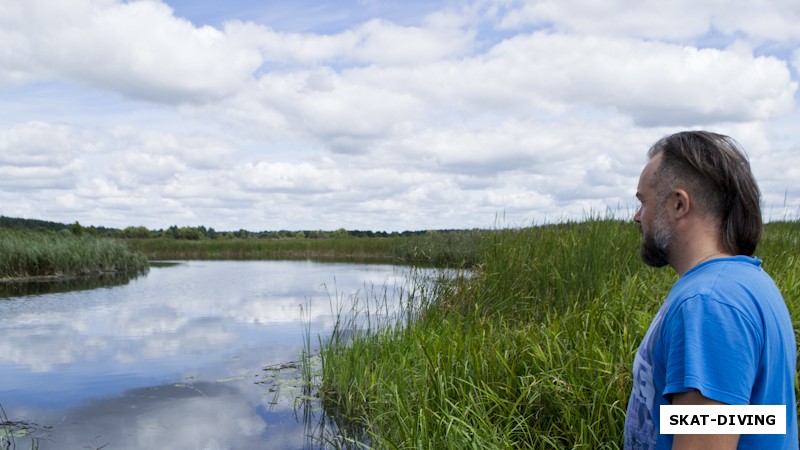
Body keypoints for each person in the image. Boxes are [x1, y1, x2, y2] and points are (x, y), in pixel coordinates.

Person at [623, 131, 798, 449]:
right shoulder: (745, 283)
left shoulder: (710, 303)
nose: (637, 217)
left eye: (643, 202)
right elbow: (753, 416)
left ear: (678, 204)